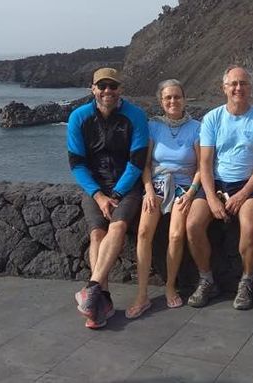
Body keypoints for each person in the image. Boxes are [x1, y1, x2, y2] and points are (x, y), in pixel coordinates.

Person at [185, 66, 253, 310]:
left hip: (247, 184)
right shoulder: (213, 118)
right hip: (216, 183)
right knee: (193, 224)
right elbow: (204, 162)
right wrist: (213, 200)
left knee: (249, 226)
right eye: (233, 83)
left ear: (250, 87)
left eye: (243, 83)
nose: (238, 88)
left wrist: (243, 194)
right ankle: (206, 279)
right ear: (224, 88)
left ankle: (247, 280)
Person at [67, 67, 149, 329]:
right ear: (93, 89)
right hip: (95, 186)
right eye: (102, 86)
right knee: (96, 235)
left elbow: (137, 162)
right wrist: (99, 195)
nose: (107, 92)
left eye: (112, 87)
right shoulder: (79, 117)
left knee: (119, 225)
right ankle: (101, 299)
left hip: (126, 185)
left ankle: (91, 289)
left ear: (120, 89)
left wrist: (115, 194)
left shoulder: (135, 116)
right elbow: (77, 164)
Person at [126, 79, 202, 319]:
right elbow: (146, 164)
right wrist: (148, 189)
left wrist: (191, 193)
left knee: (177, 234)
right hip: (157, 184)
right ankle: (142, 295)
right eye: (168, 98)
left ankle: (170, 285)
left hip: (183, 185)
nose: (173, 101)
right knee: (143, 233)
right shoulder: (153, 126)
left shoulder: (197, 127)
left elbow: (202, 166)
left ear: (184, 98)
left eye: (177, 97)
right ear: (161, 101)